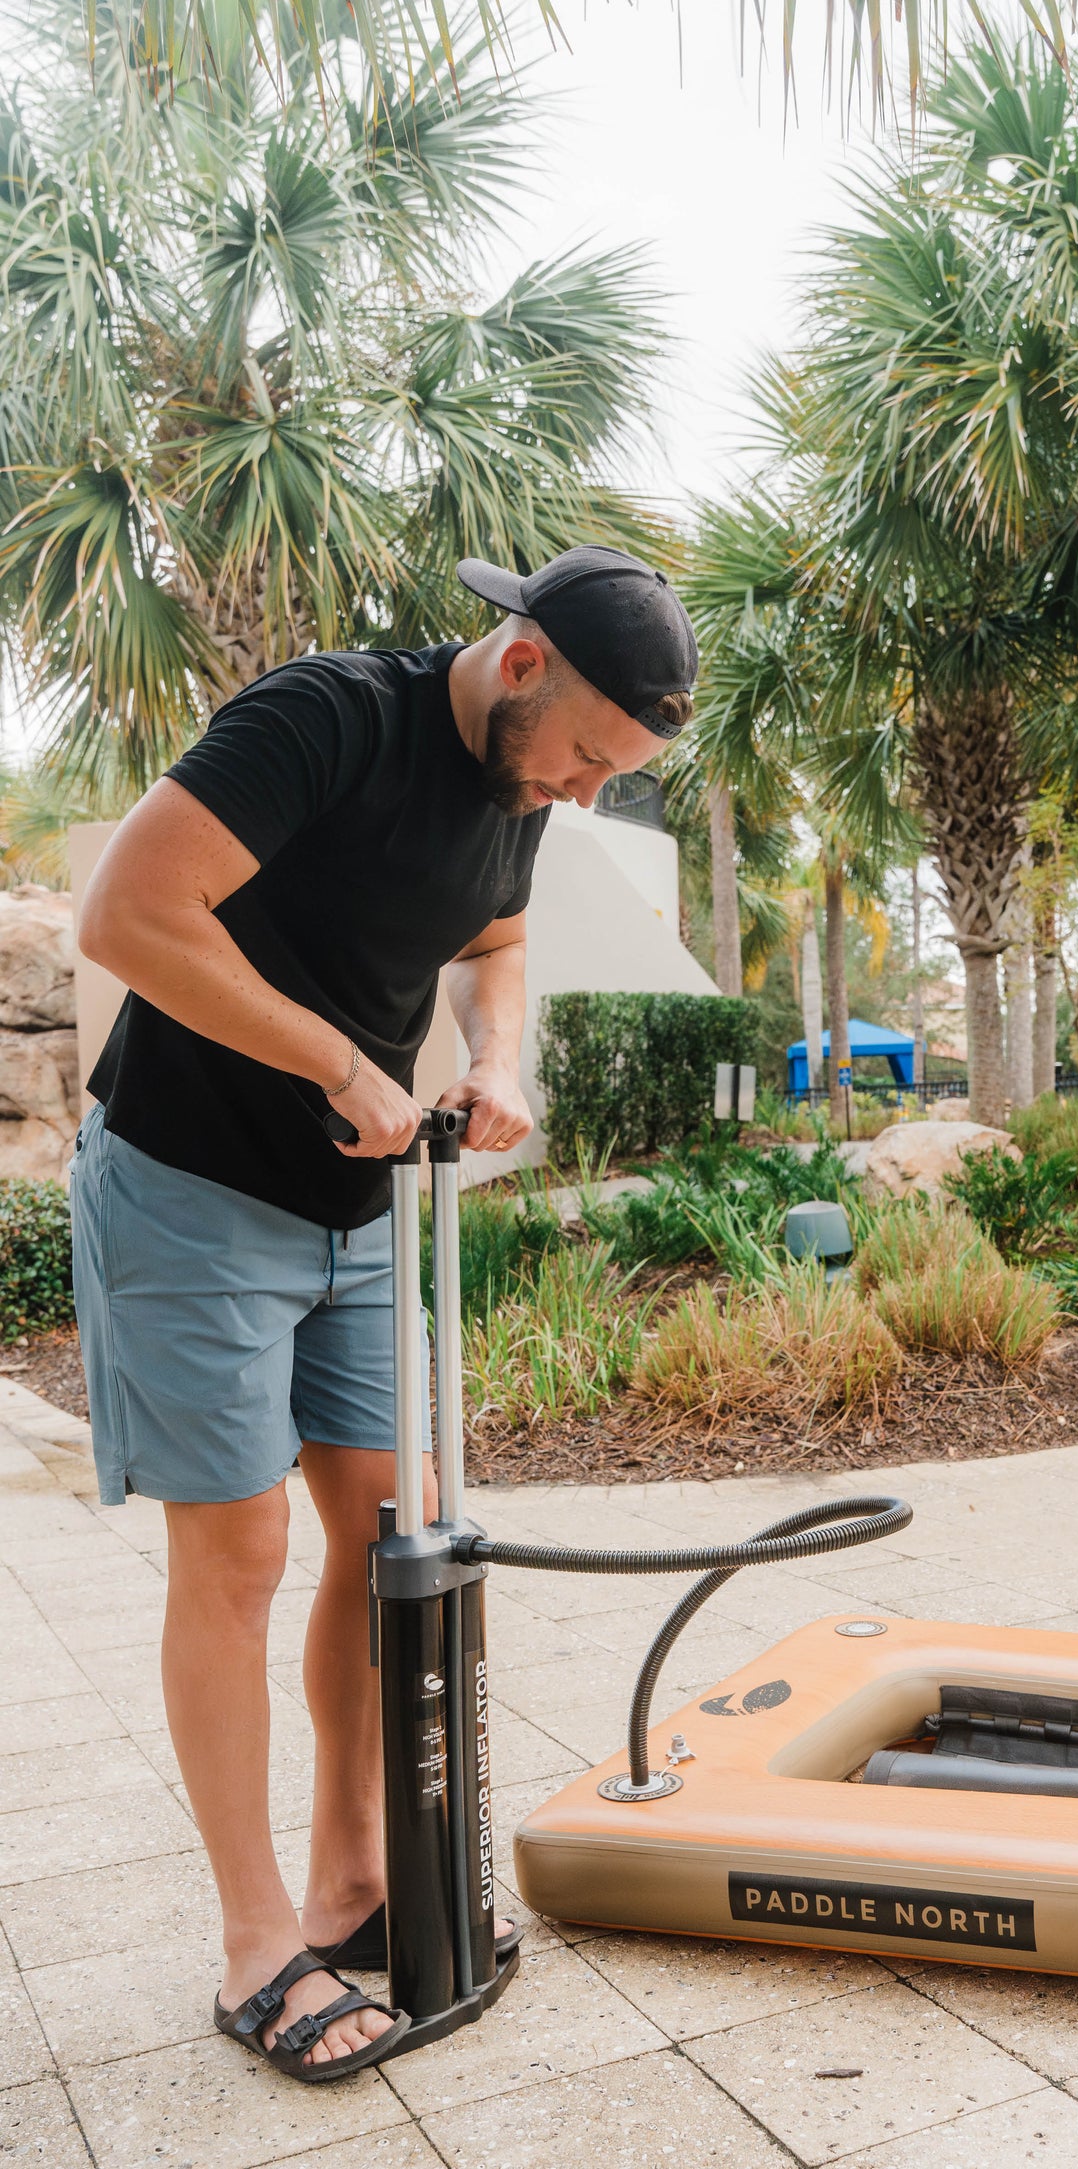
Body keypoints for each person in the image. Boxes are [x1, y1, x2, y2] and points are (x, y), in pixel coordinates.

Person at [71, 546, 698, 2082]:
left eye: (613, 776)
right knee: (240, 1553)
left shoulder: (520, 784)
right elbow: (128, 914)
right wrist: (342, 1062)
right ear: (523, 663)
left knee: (385, 1541)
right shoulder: (328, 719)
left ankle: (350, 1883)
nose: (583, 794)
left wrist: (498, 1058)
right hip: (190, 1181)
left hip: (358, 1208)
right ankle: (255, 1944)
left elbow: (495, 941)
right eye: (586, 757)